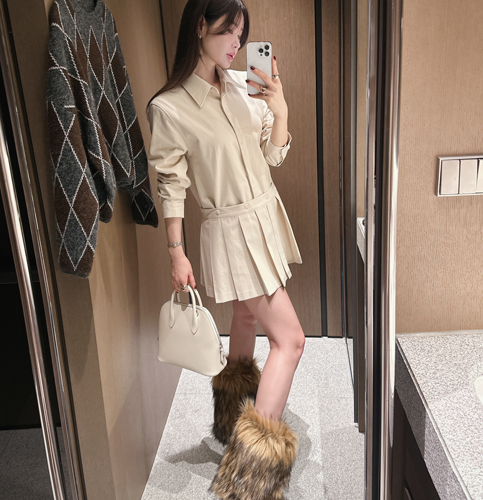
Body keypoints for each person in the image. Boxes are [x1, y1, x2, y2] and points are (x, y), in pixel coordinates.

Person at [147, 0, 305, 498]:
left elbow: (273, 156)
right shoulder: (170, 107)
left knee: (244, 317)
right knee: (291, 340)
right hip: (230, 229)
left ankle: (229, 419)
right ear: (200, 26)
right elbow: (171, 185)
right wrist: (176, 252)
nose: (237, 42)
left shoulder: (243, 85)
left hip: (264, 217)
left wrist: (280, 109)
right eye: (228, 30)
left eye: (242, 33)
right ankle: (250, 478)